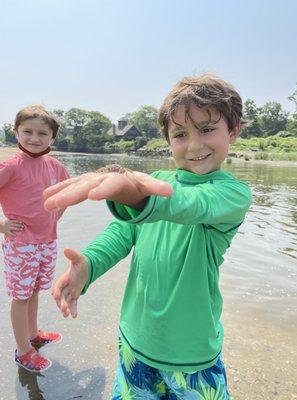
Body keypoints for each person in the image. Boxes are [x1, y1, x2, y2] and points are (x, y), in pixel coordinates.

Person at [45, 74, 252, 398]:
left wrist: (135, 193)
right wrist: (90, 264)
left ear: (233, 131)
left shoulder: (232, 194)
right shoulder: (155, 178)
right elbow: (122, 231)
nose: (194, 145)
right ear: (168, 139)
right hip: (134, 343)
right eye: (180, 134)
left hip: (193, 358)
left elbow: (192, 205)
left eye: (207, 129)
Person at [0, 105, 69, 373]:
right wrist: (3, 225)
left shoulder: (55, 165)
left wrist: (55, 216)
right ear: (16, 132)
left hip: (47, 241)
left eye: (43, 133)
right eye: (27, 131)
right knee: (21, 296)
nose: (34, 138)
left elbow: (67, 194)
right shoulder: (10, 167)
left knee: (36, 290)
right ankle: (23, 350)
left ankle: (32, 334)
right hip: (20, 244)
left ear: (52, 137)